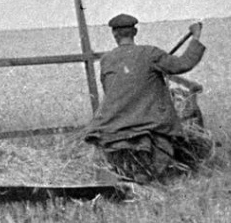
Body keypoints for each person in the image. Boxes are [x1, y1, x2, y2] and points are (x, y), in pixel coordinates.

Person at [84, 14, 206, 184]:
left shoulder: (107, 60)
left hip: (113, 126)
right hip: (150, 123)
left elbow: (109, 89)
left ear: (114, 34)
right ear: (135, 31)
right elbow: (183, 64)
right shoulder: (151, 54)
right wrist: (196, 36)